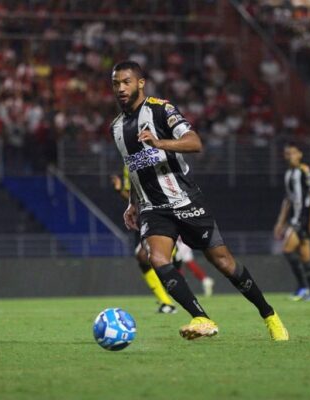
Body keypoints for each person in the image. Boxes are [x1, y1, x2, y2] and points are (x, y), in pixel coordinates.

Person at [110, 60, 288, 341]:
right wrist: (132, 203)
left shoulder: (161, 109)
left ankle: (270, 315)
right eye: (116, 83)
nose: (120, 88)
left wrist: (160, 143)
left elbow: (195, 143)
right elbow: (134, 168)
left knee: (225, 263)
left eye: (126, 82)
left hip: (185, 200)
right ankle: (201, 317)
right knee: (157, 258)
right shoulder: (118, 127)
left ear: (140, 83)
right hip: (154, 208)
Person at [111, 167, 177, 314]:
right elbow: (133, 198)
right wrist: (120, 189)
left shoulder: (158, 154)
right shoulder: (129, 165)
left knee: (149, 257)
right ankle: (166, 302)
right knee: (144, 258)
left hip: (166, 212)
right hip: (145, 217)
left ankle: (172, 302)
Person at [273, 142, 310, 301]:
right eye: (287, 153)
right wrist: (280, 222)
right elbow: (288, 200)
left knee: (287, 250)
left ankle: (303, 287)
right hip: (295, 218)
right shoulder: (288, 174)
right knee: (305, 257)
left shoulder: (304, 170)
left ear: (300, 154)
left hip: (303, 218)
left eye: (293, 153)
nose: (290, 156)